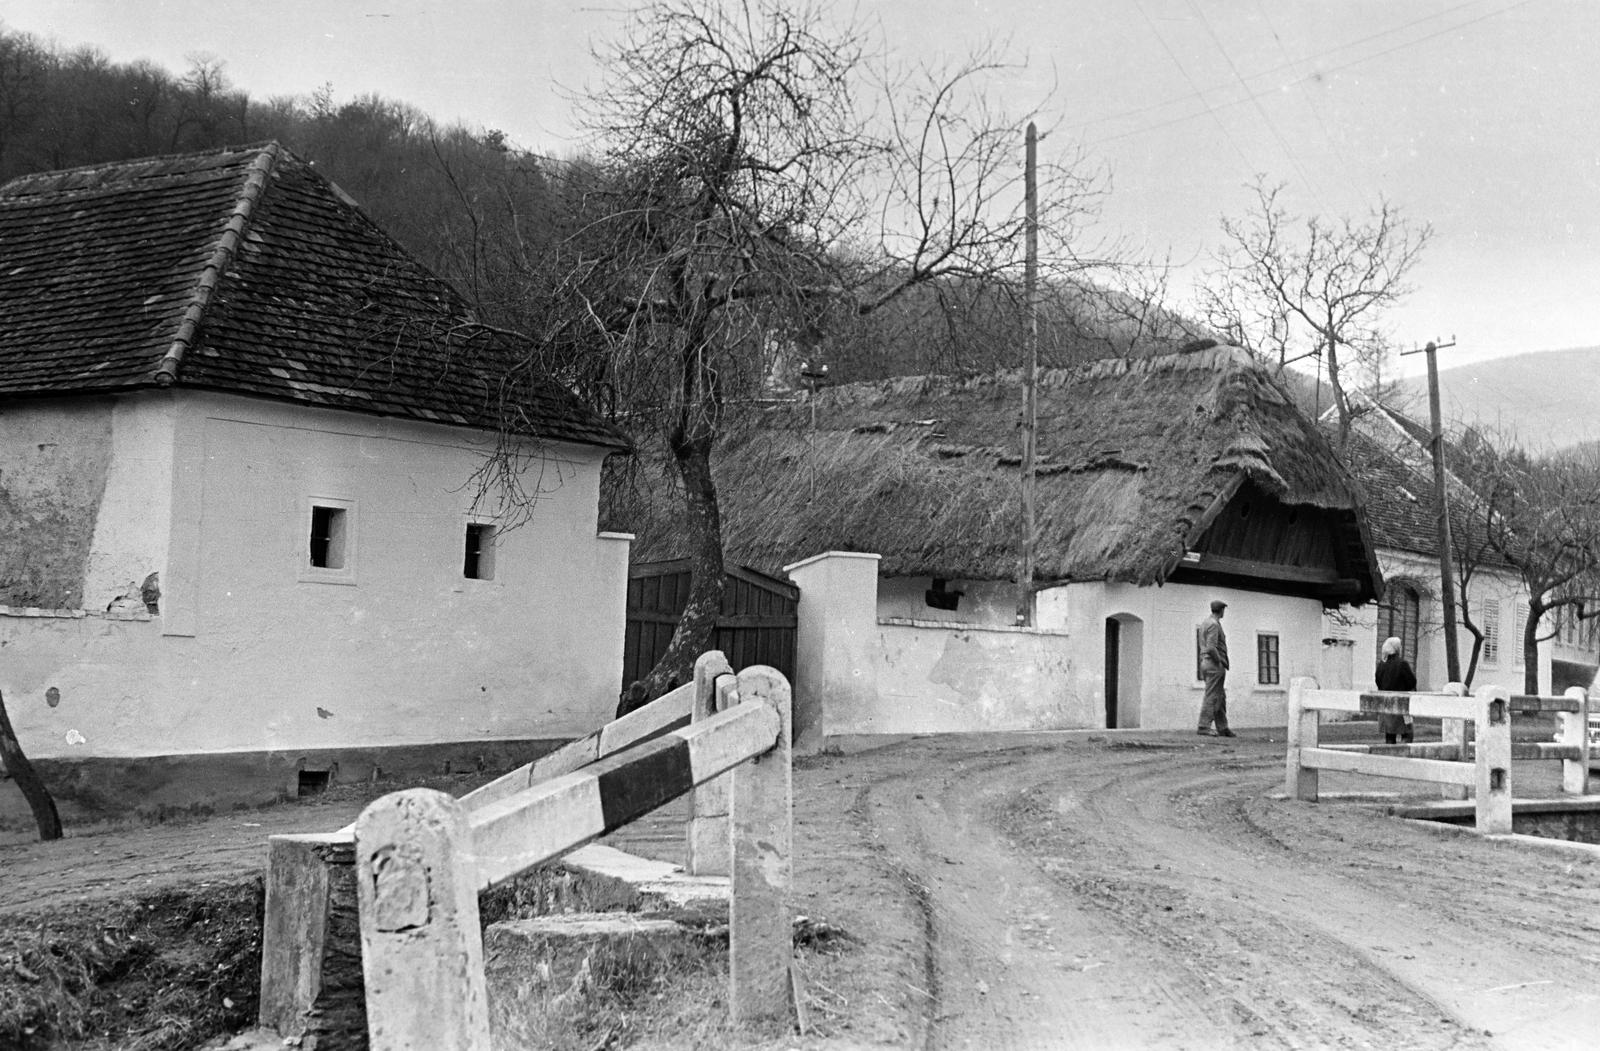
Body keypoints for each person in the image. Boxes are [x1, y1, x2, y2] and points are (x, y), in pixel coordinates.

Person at [1196, 599, 1235, 737]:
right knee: (1212, 694)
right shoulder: (1213, 625)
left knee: (1220, 695)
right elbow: (1211, 647)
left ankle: (1222, 727)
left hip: (1206, 663)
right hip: (1213, 663)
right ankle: (1203, 726)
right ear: (1221, 610)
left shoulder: (1205, 623)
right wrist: (1219, 661)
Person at [1375, 636, 1417, 744]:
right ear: (1397, 648)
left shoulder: (1381, 666)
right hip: (1401, 705)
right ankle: (1402, 757)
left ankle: (1390, 757)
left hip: (1385, 706)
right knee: (1408, 734)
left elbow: (1378, 682)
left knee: (1389, 736)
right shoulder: (1403, 664)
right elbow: (1412, 682)